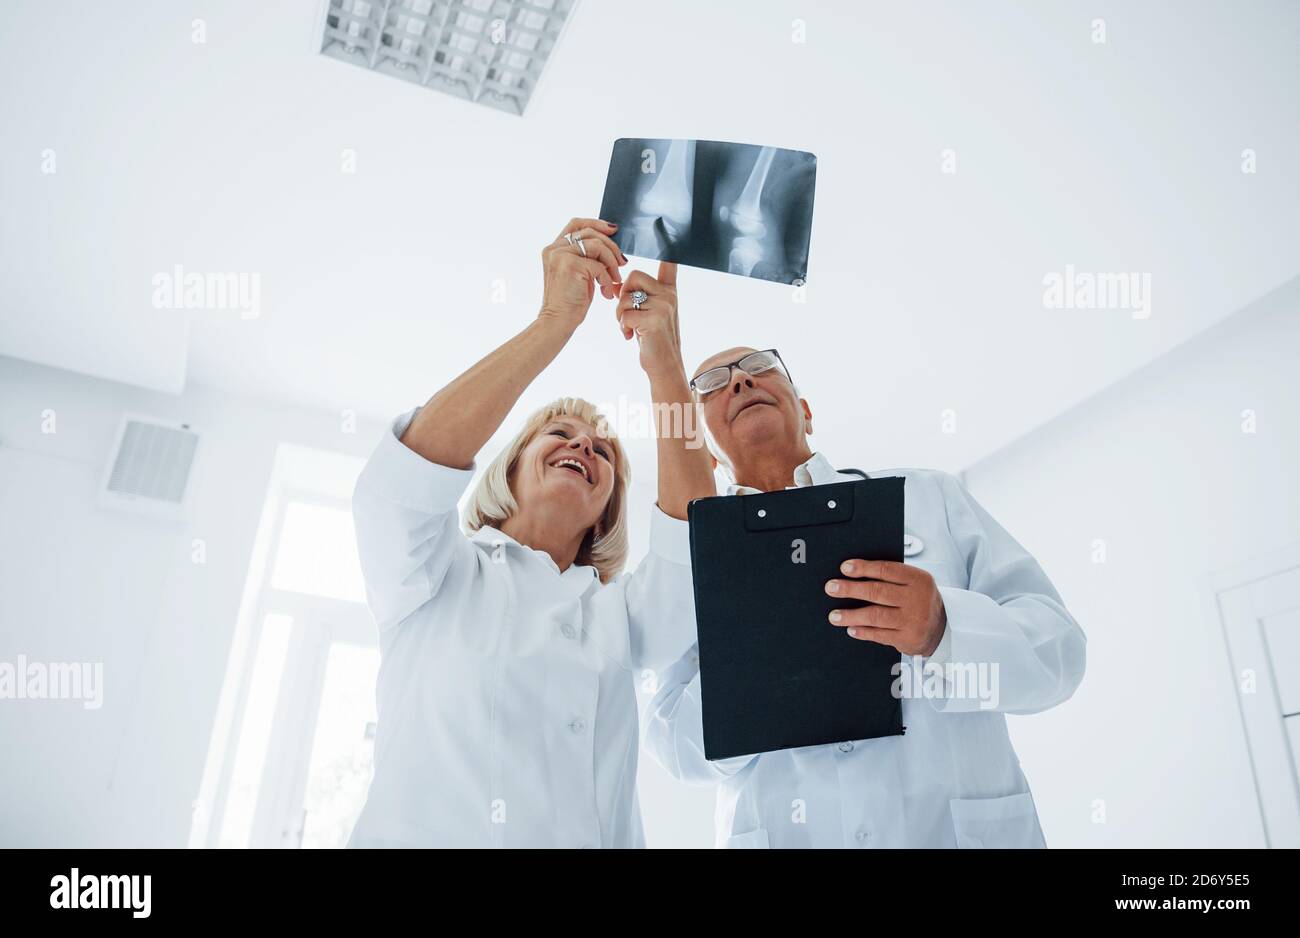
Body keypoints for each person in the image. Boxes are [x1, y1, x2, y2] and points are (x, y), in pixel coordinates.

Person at [346, 217, 714, 847]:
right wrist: (554, 322)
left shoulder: (618, 615)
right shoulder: (435, 576)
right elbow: (405, 479)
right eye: (561, 435)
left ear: (607, 508)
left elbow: (697, 545)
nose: (584, 445)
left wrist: (665, 362)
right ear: (510, 464)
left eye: (601, 450)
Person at [644, 346, 1086, 848]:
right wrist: (747, 668)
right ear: (704, 450)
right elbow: (673, 746)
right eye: (711, 383)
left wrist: (945, 629)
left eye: (758, 367)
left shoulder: (929, 497)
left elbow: (1060, 655)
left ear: (806, 412)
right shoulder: (688, 565)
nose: (740, 383)